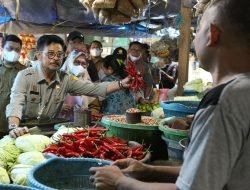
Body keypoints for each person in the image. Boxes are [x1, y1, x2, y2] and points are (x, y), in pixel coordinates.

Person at [90, 0, 250, 189]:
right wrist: (147, 170)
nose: (194, 38)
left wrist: (120, 182)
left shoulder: (224, 100)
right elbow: (203, 172)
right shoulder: (242, 90)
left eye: (198, 29)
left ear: (211, 35)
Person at [6, 35, 130, 138]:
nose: (55, 58)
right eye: (50, 54)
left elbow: (94, 88)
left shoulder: (65, 79)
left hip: (51, 132)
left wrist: (120, 84)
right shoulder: (24, 76)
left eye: (59, 55)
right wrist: (14, 127)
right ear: (38, 55)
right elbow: (16, 103)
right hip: (26, 131)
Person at [0, 34, 26, 137]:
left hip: (17, 127)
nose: (13, 52)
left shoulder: (26, 72)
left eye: (17, 50)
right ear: (2, 48)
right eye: (10, 48)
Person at [59, 49, 91, 121]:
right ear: (70, 62)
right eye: (77, 62)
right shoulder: (58, 79)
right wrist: (59, 107)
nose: (80, 66)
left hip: (80, 123)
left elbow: (94, 105)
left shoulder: (87, 82)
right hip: (58, 122)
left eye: (83, 63)